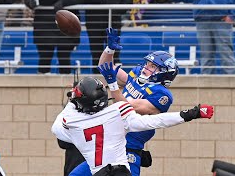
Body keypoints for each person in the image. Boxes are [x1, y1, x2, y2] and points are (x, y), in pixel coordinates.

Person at [69, 28, 181, 176]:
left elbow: (125, 107)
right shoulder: (136, 76)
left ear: (165, 72)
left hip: (129, 150)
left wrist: (113, 84)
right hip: (109, 144)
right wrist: (110, 50)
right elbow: (105, 66)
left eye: (152, 66)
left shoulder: (162, 95)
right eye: (148, 64)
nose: (146, 67)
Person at [51, 76, 214, 176]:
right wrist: (190, 114)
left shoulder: (71, 122)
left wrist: (72, 101)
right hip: (121, 171)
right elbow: (153, 121)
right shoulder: (117, 111)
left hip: (98, 171)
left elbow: (57, 127)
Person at [189, 0, 235, 74]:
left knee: (226, 53)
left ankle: (231, 82)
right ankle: (206, 82)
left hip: (222, 19)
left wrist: (233, 15)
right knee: (206, 54)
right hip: (202, 18)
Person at [23, 0, 80, 74]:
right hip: (43, 22)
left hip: (66, 22)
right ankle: (41, 83)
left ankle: (66, 84)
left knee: (64, 57)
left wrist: (65, 2)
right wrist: (29, 1)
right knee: (45, 57)